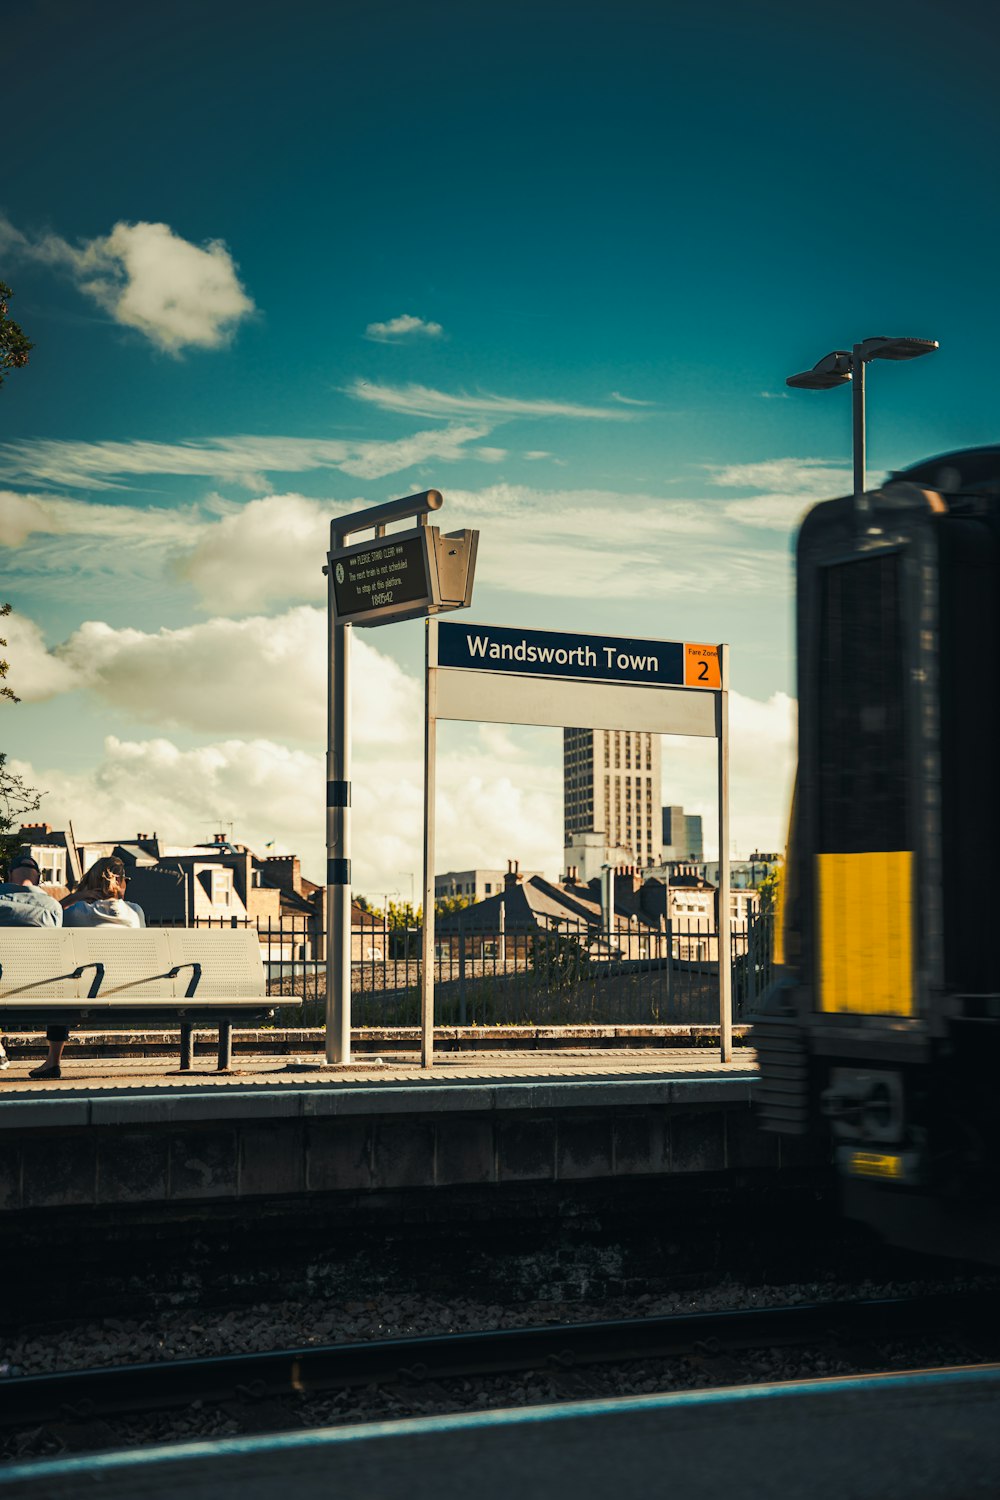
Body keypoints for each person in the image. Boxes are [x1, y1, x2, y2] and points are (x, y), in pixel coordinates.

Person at [29, 856, 145, 1080]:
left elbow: (47, 920)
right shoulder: (135, 912)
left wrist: (73, 897)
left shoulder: (77, 911)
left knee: (59, 988)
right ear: (120, 881)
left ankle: (53, 1061)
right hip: (130, 988)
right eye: (126, 879)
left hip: (83, 992)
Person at [0, 854, 63, 1070]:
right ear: (37, 880)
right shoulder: (53, 907)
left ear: (8, 876)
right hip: (43, 986)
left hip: (1, 984)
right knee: (63, 988)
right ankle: (53, 1061)